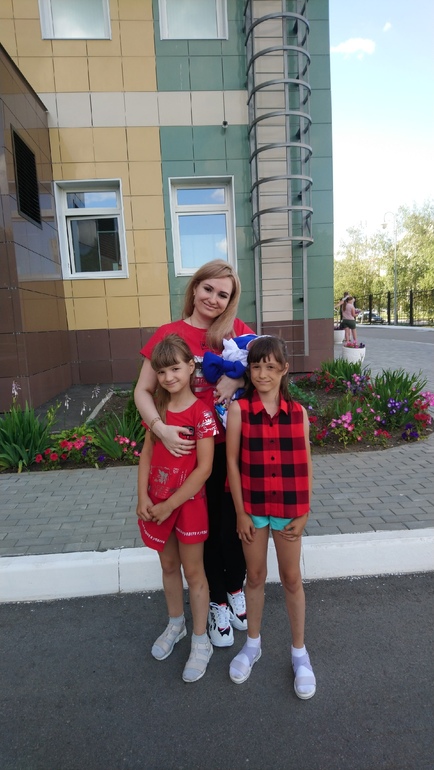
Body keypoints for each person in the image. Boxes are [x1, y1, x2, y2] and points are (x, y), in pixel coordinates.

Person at [134, 259, 254, 648]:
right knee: (201, 535)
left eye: (224, 295)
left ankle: (232, 589)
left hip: (227, 449)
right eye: (208, 289)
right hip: (182, 450)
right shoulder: (169, 334)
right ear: (195, 287)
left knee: (230, 527)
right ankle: (215, 601)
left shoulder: (236, 330)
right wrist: (160, 429)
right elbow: (142, 391)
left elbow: (267, 367)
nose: (214, 299)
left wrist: (237, 377)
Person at [226, 336, 316, 699]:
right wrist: (240, 512)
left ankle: (299, 653)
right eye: (256, 366)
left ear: (284, 370)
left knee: (292, 578)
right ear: (249, 370)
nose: (263, 374)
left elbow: (306, 461)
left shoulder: (299, 413)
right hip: (253, 507)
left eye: (270, 367)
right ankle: (252, 644)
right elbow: (232, 462)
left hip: (289, 508)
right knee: (256, 576)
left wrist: (305, 510)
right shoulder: (240, 410)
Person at [136, 335, 218, 683]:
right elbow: (146, 455)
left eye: (174, 369)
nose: (168, 377)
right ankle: (176, 624)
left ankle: (201, 641)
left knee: (194, 572)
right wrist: (143, 498)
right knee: (169, 566)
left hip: (186, 505)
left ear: (190, 367)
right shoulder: (157, 412)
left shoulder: (202, 413)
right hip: (156, 503)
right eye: (161, 371)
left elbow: (204, 469)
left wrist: (171, 504)